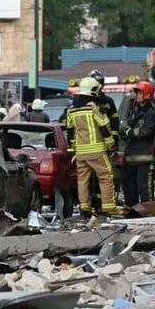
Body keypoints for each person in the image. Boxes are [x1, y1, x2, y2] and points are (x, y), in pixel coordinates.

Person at [66, 77, 120, 216]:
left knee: (82, 180)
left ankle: (84, 207)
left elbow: (70, 132)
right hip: (97, 151)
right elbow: (103, 127)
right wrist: (111, 144)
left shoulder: (71, 110)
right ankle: (108, 206)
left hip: (81, 153)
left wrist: (73, 151)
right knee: (106, 176)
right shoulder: (93, 108)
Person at [121, 80, 155, 206]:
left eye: (139, 93)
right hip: (130, 158)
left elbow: (146, 132)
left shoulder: (152, 112)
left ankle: (149, 211)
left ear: (146, 94)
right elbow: (126, 126)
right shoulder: (134, 109)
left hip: (144, 158)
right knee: (129, 186)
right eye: (136, 93)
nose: (136, 95)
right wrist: (125, 131)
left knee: (144, 187)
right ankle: (133, 210)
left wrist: (130, 131)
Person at [88, 69, 120, 139]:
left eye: (100, 82)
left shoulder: (108, 101)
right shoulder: (84, 100)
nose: (98, 85)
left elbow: (114, 121)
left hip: (107, 139)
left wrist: (115, 138)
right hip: (89, 139)